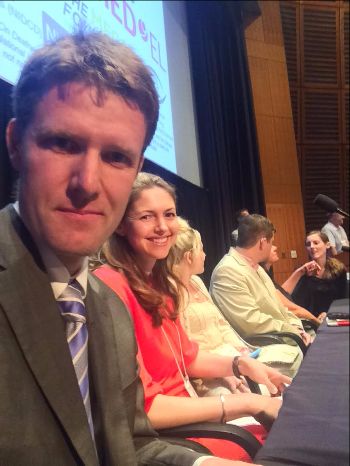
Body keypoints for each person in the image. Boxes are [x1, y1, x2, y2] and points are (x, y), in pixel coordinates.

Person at [0, 31, 243, 466]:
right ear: (16, 143)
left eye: (116, 157)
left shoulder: (106, 306)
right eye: (63, 143)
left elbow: (131, 445)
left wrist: (206, 464)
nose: (87, 183)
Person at [94, 173, 290, 462]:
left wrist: (242, 365)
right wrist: (249, 403)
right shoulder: (109, 287)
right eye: (147, 217)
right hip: (165, 435)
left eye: (169, 214)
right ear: (121, 225)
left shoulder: (159, 283)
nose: (162, 227)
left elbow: (189, 358)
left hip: (190, 418)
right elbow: (144, 409)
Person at [168, 218, 302, 381]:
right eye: (202, 250)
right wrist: (230, 366)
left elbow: (221, 323)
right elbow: (250, 321)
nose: (205, 255)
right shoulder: (226, 271)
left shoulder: (197, 282)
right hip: (209, 366)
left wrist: (239, 351)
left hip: (231, 353)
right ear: (189, 257)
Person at [210, 214, 311, 346]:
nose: (272, 247)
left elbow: (280, 309)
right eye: (272, 242)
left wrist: (297, 327)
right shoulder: (227, 271)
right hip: (266, 346)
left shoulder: (257, 268)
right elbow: (250, 322)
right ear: (263, 243)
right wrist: (293, 331)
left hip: (285, 337)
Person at [282, 231, 348, 319]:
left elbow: (342, 300)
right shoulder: (302, 271)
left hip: (332, 317)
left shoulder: (339, 270)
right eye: (308, 244)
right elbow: (292, 300)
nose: (312, 247)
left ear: (327, 245)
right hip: (308, 321)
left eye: (316, 243)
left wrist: (328, 313)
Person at [260, 245, 321, 327]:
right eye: (270, 245)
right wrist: (320, 323)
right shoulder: (260, 275)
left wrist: (301, 271)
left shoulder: (266, 273)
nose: (275, 247)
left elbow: (282, 294)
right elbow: (295, 310)